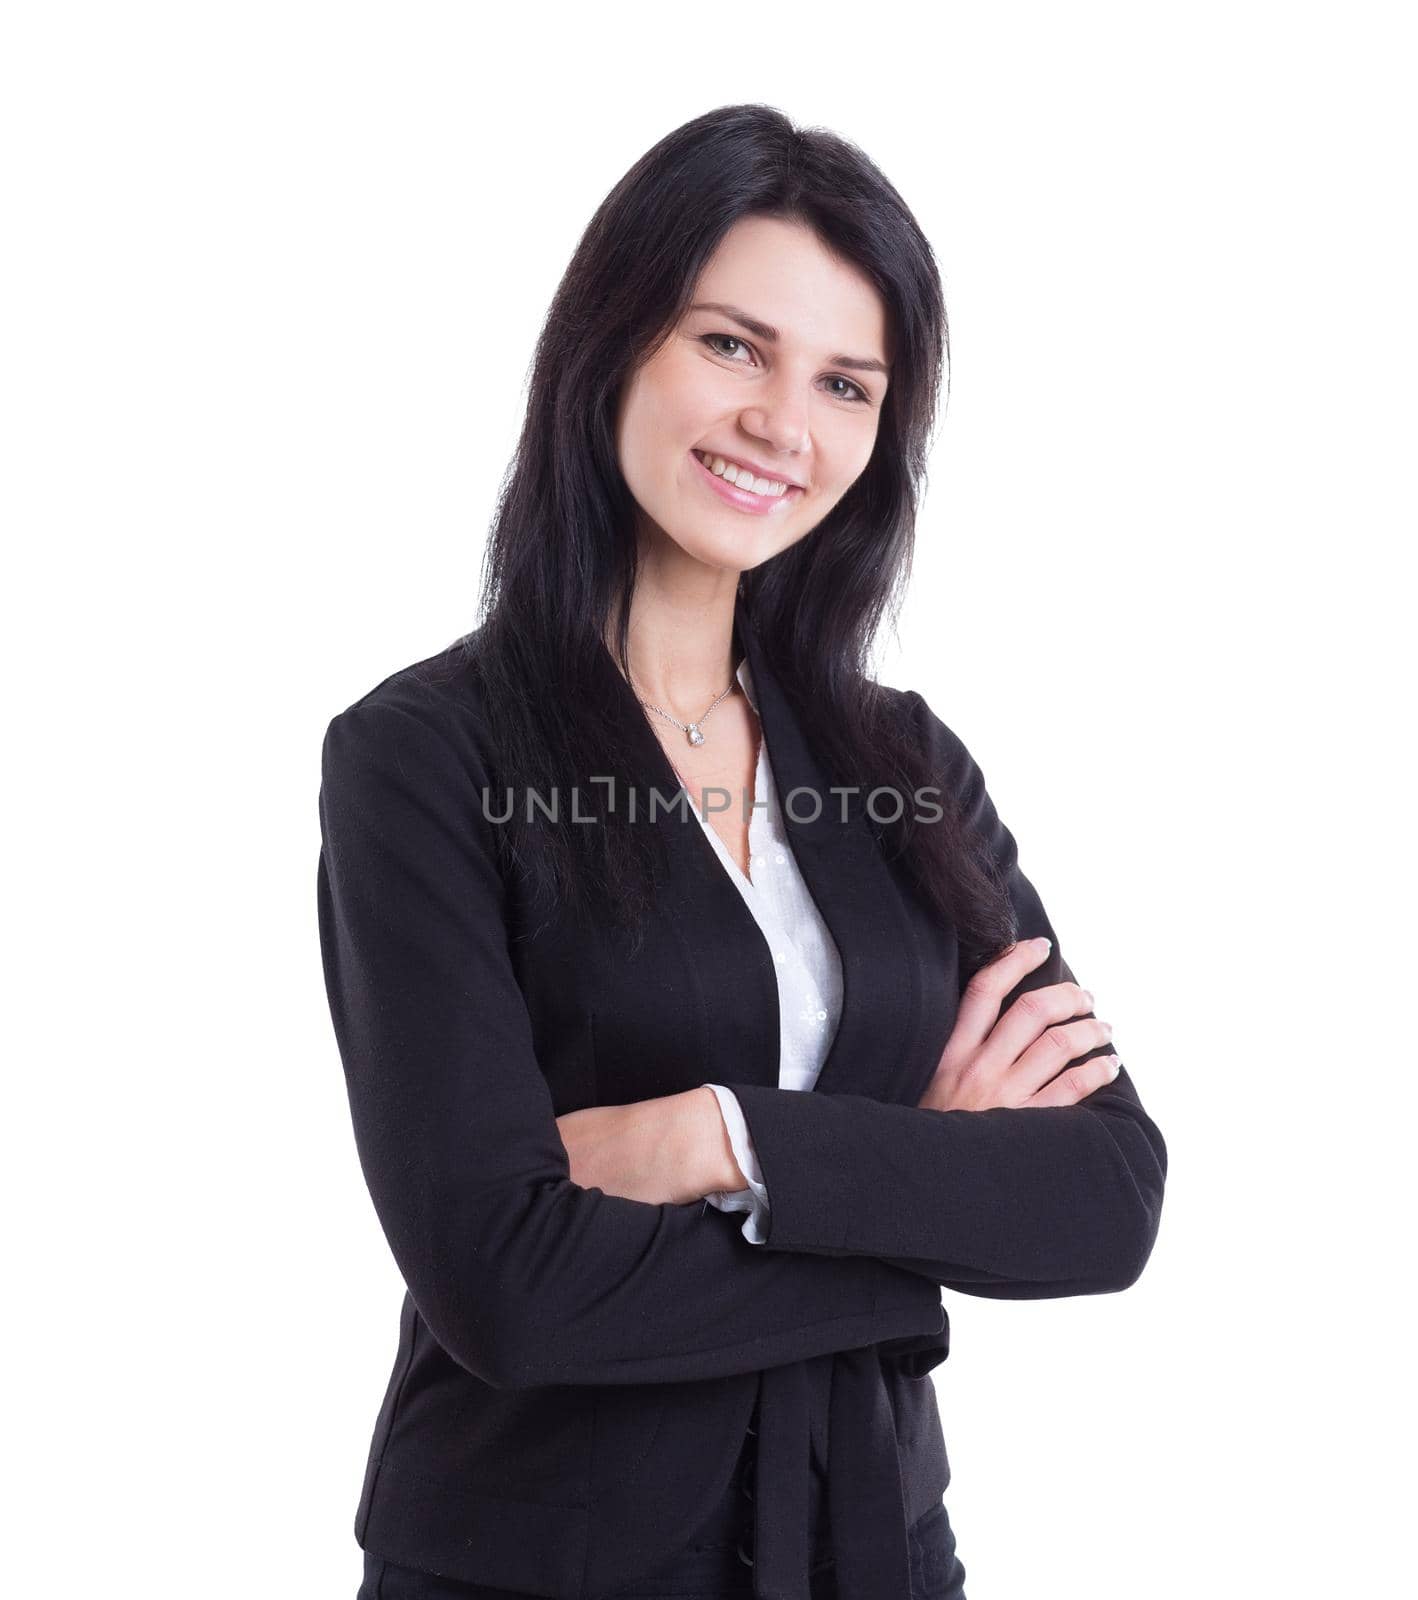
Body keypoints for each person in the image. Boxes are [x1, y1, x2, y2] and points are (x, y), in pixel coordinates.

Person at [317, 103, 1167, 1600]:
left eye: (845, 381)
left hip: (872, 1552)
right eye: (731, 346)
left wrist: (727, 1141)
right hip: (536, 1563)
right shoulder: (425, 756)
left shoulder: (901, 767)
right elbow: (505, 1288)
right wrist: (923, 1188)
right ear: (615, 341)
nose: (785, 423)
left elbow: (1105, 1197)